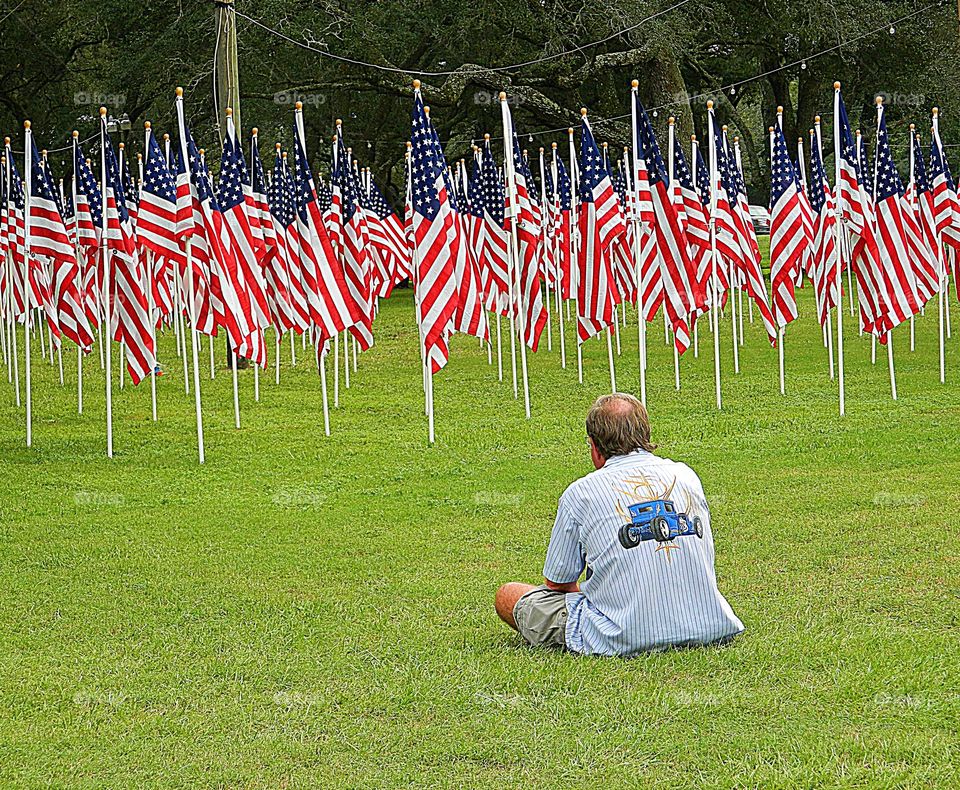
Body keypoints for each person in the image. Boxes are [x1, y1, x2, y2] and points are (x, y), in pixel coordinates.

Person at [495, 393, 744, 657]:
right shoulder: (686, 476)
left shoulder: (581, 493)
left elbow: (558, 583)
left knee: (508, 594)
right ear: (645, 433)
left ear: (594, 446)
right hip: (709, 625)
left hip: (620, 636)